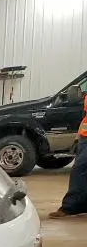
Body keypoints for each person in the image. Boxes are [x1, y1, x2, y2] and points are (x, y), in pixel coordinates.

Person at [49, 83, 87, 218]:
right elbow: (85, 118)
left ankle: (70, 207)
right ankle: (76, 206)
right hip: (84, 139)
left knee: (79, 171)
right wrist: (77, 138)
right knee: (81, 172)